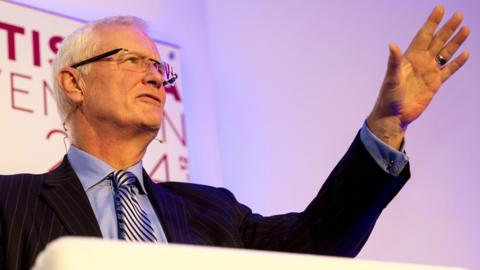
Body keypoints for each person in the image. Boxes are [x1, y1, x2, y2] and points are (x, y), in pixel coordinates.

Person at [0, 5, 469, 270]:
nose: (154, 77)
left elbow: (317, 242)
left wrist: (386, 125)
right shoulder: (11, 201)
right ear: (73, 83)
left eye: (158, 67)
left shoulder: (214, 212)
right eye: (130, 60)